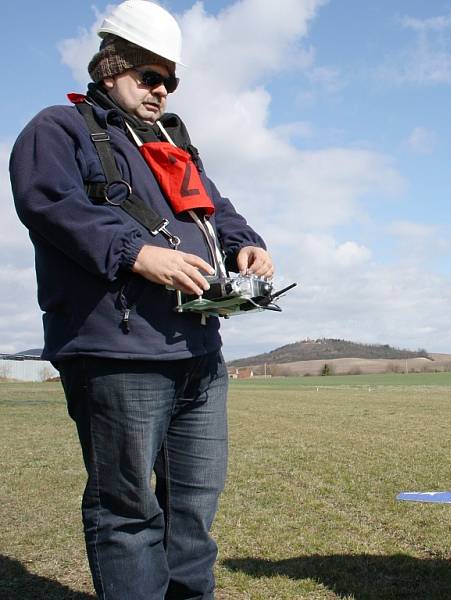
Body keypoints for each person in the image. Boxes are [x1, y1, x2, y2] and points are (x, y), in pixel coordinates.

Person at [9, 1, 273, 598]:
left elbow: (215, 209)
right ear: (110, 67)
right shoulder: (57, 129)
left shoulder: (171, 141)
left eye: (169, 80)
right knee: (127, 514)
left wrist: (247, 245)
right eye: (149, 76)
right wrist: (137, 253)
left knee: (193, 517)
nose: (162, 90)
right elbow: (49, 203)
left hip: (199, 355)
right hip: (120, 355)